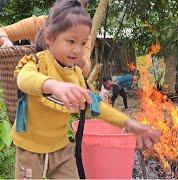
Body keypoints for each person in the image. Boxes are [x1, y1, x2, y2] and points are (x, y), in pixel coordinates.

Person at [11, 1, 160, 179]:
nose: (77, 50)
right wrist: (55, 86)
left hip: (61, 150)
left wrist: (129, 123)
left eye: (83, 43)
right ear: (50, 37)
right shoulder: (36, 63)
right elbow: (24, 80)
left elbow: (96, 106)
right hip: (30, 150)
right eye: (71, 41)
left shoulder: (76, 74)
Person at [0, 0, 91, 77]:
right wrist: (6, 41)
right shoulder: (36, 61)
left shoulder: (83, 34)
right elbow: (25, 79)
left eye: (80, 11)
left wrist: (77, 50)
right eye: (71, 41)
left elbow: (86, 71)